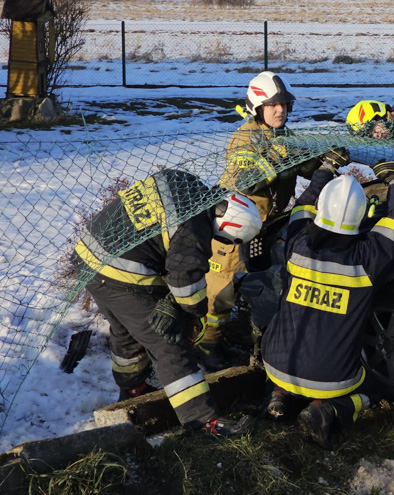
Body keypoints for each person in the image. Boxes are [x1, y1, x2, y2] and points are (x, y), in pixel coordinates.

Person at [73, 169, 263, 437]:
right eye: (224, 240)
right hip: (119, 271)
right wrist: (192, 314)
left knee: (127, 330)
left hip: (88, 257)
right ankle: (202, 422)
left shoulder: (187, 185)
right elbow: (186, 283)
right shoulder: (196, 225)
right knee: (168, 342)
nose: (218, 243)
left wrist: (171, 300)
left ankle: (133, 389)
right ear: (227, 227)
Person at [260, 158, 394, 449]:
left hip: (276, 362)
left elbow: (302, 206)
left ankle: (277, 396)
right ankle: (329, 410)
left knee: (289, 357)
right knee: (378, 388)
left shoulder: (297, 243)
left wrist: (326, 168)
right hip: (331, 378)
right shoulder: (368, 257)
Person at [200, 71, 348, 371]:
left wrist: (326, 159)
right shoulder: (244, 137)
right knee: (221, 291)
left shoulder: (286, 137)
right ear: (257, 108)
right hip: (234, 230)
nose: (280, 110)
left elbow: (305, 164)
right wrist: (289, 160)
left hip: (271, 225)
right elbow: (251, 179)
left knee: (269, 281)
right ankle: (208, 347)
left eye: (284, 104)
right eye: (272, 105)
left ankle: (260, 333)